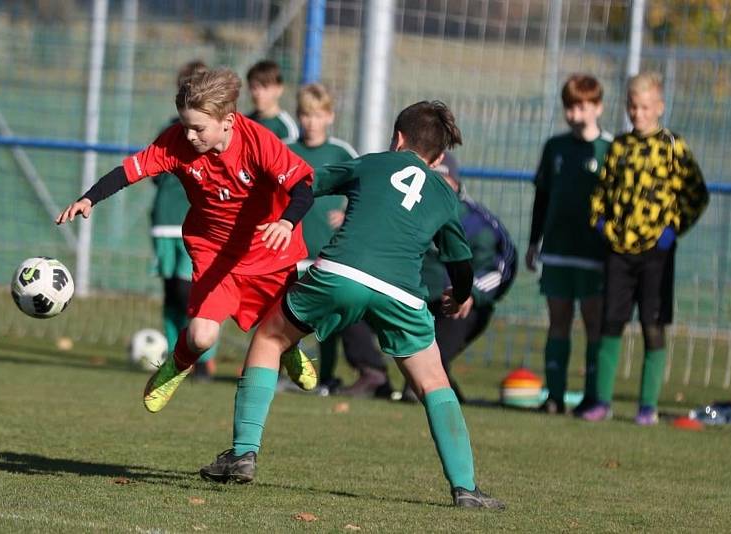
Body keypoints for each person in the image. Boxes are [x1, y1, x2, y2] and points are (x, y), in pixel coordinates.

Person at [199, 101, 505, 510]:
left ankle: (243, 453)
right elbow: (460, 262)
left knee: (270, 339)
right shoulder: (444, 196)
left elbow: (305, 184)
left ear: (398, 138)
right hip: (401, 292)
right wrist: (461, 294)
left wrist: (285, 218)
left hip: (340, 272)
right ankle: (465, 488)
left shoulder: (371, 164)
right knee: (434, 383)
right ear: (437, 157)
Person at [56, 68, 319, 413]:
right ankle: (175, 366)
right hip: (216, 253)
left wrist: (286, 221)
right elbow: (131, 170)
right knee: (200, 336)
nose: (190, 136)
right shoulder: (176, 142)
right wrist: (89, 198)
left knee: (281, 329)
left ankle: (288, 349)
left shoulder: (258, 141)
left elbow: (303, 185)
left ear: (228, 121)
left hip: (267, 251)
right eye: (185, 126)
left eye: (198, 128)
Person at [582, 71, 709, 425]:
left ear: (659, 108)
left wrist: (673, 228)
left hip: (657, 252)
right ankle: (602, 402)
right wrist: (601, 223)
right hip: (618, 251)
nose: (638, 114)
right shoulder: (620, 147)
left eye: (645, 107)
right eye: (632, 107)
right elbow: (601, 193)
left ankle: (647, 407)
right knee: (610, 322)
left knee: (653, 324)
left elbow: (697, 194)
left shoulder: (672, 147)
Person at [288, 83, 390, 397]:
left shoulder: (342, 153)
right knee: (285, 316)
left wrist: (347, 212)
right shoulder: (285, 148)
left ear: (329, 117)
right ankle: (289, 373)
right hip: (290, 249)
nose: (310, 122)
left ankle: (325, 377)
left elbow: (368, 190)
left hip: (328, 252)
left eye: (317, 115)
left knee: (326, 322)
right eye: (305, 115)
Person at [525, 74, 612, 415]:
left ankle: (593, 396)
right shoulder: (555, 147)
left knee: (594, 324)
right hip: (558, 249)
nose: (574, 114)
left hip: (594, 253)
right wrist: (535, 241)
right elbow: (542, 197)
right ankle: (554, 396)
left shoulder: (609, 148)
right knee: (558, 321)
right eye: (569, 107)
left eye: (582, 107)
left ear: (598, 107)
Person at [404, 152, 517, 404]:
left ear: (456, 183)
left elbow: (501, 266)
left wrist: (469, 292)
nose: (439, 187)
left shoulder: (477, 223)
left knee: (424, 372)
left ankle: (441, 396)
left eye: (445, 180)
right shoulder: (409, 212)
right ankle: (372, 375)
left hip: (459, 306)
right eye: (433, 180)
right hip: (416, 301)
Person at [150, 60, 217, 378]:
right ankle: (174, 353)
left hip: (197, 224)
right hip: (164, 221)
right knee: (171, 293)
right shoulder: (169, 131)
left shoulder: (211, 136)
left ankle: (201, 356)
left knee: (190, 292)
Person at [246, 60, 298, 143]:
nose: (259, 93)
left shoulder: (286, 128)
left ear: (279, 89)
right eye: (254, 87)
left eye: (265, 87)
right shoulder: (245, 122)